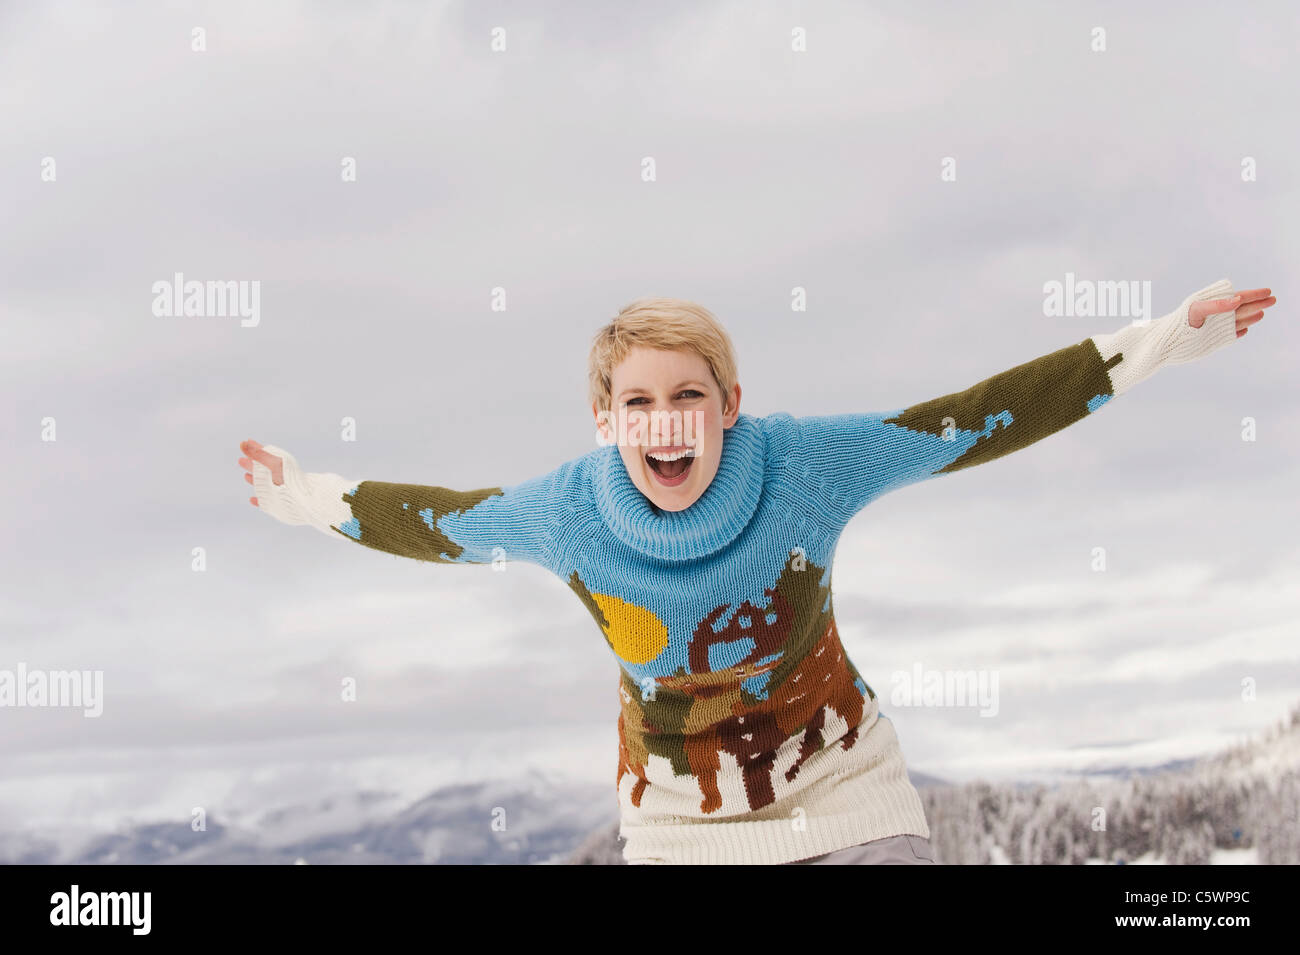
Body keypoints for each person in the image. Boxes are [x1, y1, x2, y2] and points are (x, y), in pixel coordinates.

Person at [238, 279, 1274, 865]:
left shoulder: (805, 466)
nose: (663, 421)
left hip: (843, 796)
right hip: (682, 829)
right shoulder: (566, 513)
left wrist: (1154, 346)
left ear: (730, 404)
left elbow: (969, 419)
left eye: (686, 394)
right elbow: (436, 523)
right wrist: (304, 494)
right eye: (636, 403)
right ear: (605, 423)